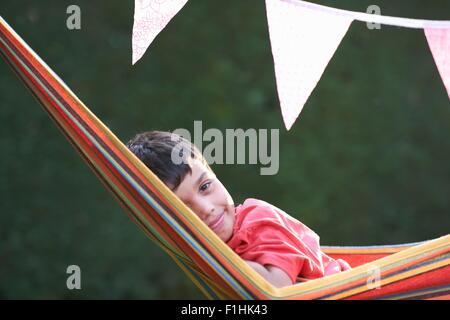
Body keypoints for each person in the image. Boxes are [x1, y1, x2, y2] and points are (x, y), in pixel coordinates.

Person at [126, 131, 351, 288]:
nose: (206, 209)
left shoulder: (258, 219)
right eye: (183, 207)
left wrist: (211, 259)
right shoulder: (203, 248)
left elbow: (276, 287)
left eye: (205, 186)